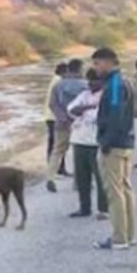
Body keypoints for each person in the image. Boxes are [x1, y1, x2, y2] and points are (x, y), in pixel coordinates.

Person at [93, 47, 137, 251]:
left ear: (108, 62)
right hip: (125, 142)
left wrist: (106, 142)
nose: (96, 68)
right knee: (125, 189)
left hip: (115, 145)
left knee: (115, 192)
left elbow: (116, 115)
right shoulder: (124, 81)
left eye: (97, 63)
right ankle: (129, 235)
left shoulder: (115, 85)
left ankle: (119, 238)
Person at [67, 69, 109, 220]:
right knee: (82, 178)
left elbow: (97, 116)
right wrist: (89, 107)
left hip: (96, 143)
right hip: (79, 141)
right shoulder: (84, 94)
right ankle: (84, 208)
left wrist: (83, 109)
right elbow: (71, 109)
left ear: (102, 82)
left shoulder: (106, 96)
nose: (91, 83)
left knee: (101, 178)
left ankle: (103, 209)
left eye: (95, 80)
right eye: (89, 80)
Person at [46, 58, 87, 192]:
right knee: (78, 152)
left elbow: (52, 104)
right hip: (80, 124)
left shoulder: (58, 85)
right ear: (80, 69)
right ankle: (78, 182)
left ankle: (50, 177)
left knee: (57, 150)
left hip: (62, 123)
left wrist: (62, 117)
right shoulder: (85, 85)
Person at [43, 62, 69, 176]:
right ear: (64, 72)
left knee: (55, 143)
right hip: (54, 117)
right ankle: (56, 169)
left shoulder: (55, 80)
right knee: (57, 144)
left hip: (51, 116)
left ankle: (56, 168)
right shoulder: (59, 81)